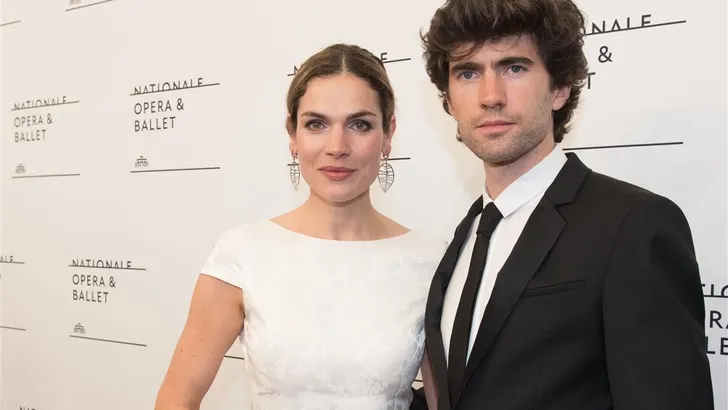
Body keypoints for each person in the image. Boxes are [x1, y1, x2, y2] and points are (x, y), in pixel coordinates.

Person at [416, 0, 715, 409]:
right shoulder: (465, 236)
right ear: (449, 101)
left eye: (514, 68)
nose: (490, 96)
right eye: (468, 73)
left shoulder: (633, 225)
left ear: (560, 88)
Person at [153, 43, 446, 410]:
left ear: (388, 134)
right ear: (292, 135)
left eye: (360, 125)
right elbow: (176, 398)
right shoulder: (242, 254)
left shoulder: (431, 261)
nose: (337, 146)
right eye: (316, 124)